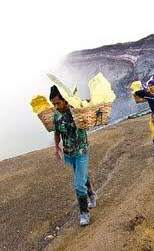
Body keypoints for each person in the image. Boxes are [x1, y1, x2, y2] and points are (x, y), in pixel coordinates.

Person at [50, 85, 97, 226]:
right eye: (53, 104)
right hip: (69, 153)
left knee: (78, 184)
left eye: (58, 103)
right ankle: (92, 195)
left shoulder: (77, 111)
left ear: (65, 100)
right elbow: (57, 132)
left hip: (81, 151)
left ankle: (84, 213)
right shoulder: (56, 115)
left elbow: (87, 121)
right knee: (82, 176)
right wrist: (57, 146)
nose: (56, 106)